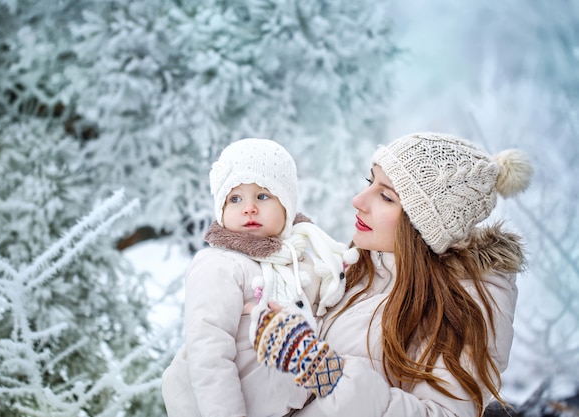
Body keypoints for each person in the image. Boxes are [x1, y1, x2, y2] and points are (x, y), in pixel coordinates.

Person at [250, 132, 534, 417]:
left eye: (386, 196)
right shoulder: (364, 270)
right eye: (369, 181)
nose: (358, 200)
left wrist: (323, 371)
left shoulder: (462, 306)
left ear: (424, 228)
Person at [161, 138, 358, 417]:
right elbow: (209, 355)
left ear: (287, 205)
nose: (249, 208)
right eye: (235, 198)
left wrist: (338, 279)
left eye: (262, 196)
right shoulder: (219, 265)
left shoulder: (300, 263)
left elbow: (327, 318)